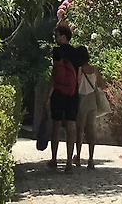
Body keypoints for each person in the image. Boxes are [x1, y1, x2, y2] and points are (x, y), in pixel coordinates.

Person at [44, 24, 81, 171]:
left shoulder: (57, 52)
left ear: (64, 37)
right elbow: (78, 76)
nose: (55, 38)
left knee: (56, 126)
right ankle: (69, 162)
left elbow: (54, 76)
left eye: (57, 36)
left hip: (58, 93)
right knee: (71, 127)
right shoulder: (76, 53)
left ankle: (54, 159)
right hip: (72, 93)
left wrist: (48, 96)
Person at [74, 46, 103, 168]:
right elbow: (102, 84)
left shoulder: (78, 70)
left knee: (79, 130)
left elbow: (75, 83)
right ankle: (91, 158)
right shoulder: (95, 69)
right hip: (92, 101)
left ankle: (78, 156)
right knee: (90, 129)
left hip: (81, 100)